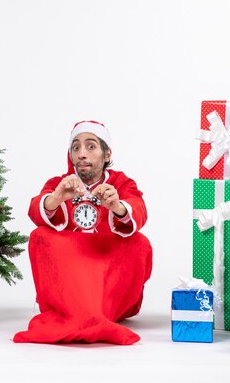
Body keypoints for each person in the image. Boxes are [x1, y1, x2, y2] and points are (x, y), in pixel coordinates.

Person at [13, 120, 153, 345]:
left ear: (106, 154)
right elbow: (35, 208)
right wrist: (56, 199)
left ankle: (94, 314)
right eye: (75, 148)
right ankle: (84, 315)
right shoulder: (60, 183)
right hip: (71, 273)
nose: (81, 154)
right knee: (40, 236)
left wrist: (117, 207)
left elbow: (138, 208)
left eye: (90, 146)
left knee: (139, 243)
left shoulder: (121, 182)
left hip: (106, 266)